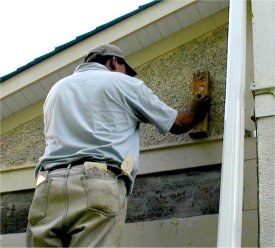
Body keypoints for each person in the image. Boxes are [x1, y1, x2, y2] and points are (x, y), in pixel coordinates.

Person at [27, 44, 210, 247]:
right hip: (95, 184)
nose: (126, 75)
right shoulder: (122, 83)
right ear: (114, 62)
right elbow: (179, 123)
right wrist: (195, 108)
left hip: (47, 188)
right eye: (125, 69)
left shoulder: (57, 89)